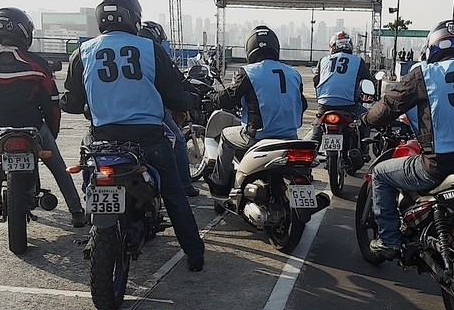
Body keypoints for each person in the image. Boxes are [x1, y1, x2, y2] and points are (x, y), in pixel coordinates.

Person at [60, 0, 205, 271]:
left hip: (103, 140)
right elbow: (176, 96)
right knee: (175, 194)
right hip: (148, 140)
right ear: (133, 17)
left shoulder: (83, 52)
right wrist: (192, 99)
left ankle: (93, 224)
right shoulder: (151, 49)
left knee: (89, 174)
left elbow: (74, 103)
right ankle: (195, 255)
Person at [364, 19, 454, 258]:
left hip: (439, 165)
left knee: (381, 174)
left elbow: (388, 107)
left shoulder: (424, 74)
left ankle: (389, 240)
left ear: (432, 47)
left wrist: (366, 120)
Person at [0, 7, 87, 228]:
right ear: (24, 32)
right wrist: (51, 132)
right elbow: (52, 104)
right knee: (58, 167)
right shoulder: (36, 64)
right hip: (34, 126)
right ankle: (76, 211)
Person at [206, 25, 307, 197]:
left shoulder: (248, 72)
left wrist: (211, 97)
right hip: (290, 136)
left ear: (250, 48)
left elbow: (230, 97)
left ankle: (220, 183)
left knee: (225, 136)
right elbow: (302, 104)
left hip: (258, 136)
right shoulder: (293, 73)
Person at [137, 21, 200, 197]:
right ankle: (185, 185)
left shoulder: (120, 48)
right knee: (179, 141)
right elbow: (173, 81)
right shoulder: (153, 50)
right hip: (151, 109)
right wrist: (187, 100)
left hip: (112, 116)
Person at [308, 31, 374, 146]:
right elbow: (367, 81)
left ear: (333, 46)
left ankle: (310, 151)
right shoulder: (358, 61)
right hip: (349, 105)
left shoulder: (323, 60)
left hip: (325, 104)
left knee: (316, 130)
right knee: (366, 119)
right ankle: (363, 147)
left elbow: (316, 81)